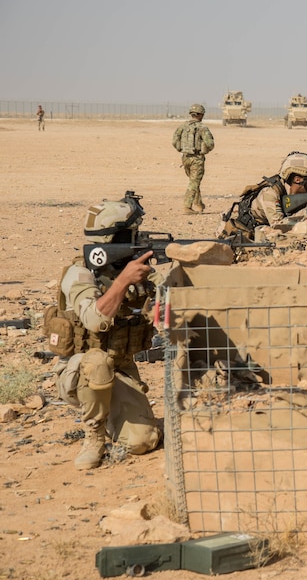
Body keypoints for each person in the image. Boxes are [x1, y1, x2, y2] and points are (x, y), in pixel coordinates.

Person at [54, 194, 163, 470]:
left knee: (142, 442)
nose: (137, 238)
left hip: (121, 368)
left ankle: (113, 420)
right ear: (114, 238)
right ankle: (93, 435)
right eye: (131, 234)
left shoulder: (132, 269)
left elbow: (164, 296)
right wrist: (124, 280)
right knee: (97, 361)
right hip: (79, 370)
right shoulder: (79, 274)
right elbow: (93, 319)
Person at [219, 152, 307, 239]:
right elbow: (279, 225)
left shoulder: (294, 191)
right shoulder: (269, 194)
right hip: (238, 231)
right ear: (298, 179)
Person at [171, 103, 215, 214]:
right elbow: (210, 144)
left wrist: (181, 150)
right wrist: (203, 151)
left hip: (185, 158)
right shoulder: (202, 128)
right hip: (197, 159)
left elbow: (174, 142)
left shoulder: (182, 127)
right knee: (194, 183)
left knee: (194, 182)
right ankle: (187, 207)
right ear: (200, 115)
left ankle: (199, 204)